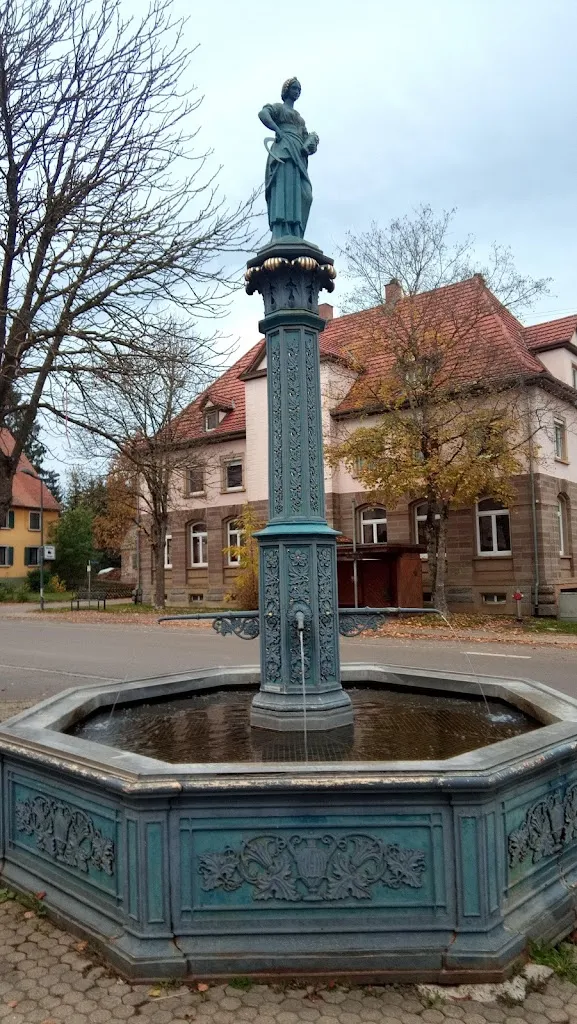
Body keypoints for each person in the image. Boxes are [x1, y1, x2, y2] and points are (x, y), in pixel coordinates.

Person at [259, 78, 319, 240]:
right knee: (284, 189)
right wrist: (277, 129)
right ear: (286, 90)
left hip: (299, 156)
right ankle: (281, 231)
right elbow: (263, 114)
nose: (297, 92)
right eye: (294, 88)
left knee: (304, 194)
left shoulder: (300, 119)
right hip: (283, 151)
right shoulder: (279, 108)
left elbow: (307, 139)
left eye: (299, 89)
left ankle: (296, 231)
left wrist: (312, 142)